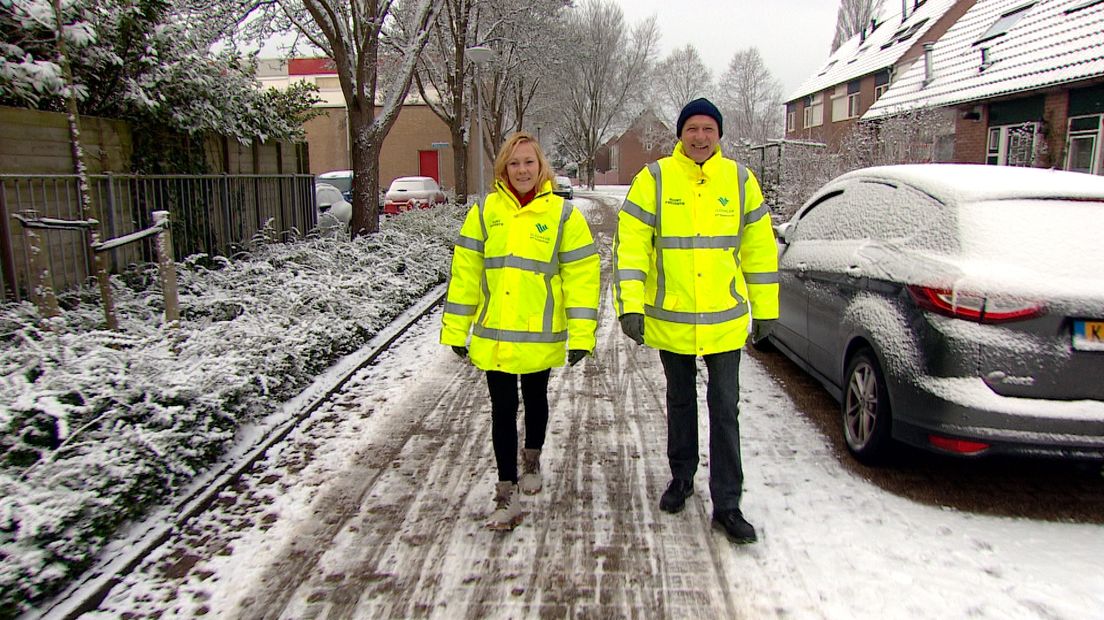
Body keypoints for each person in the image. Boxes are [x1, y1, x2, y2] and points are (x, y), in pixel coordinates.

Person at [612, 98, 779, 544]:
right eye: (693, 128)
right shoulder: (655, 179)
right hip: (673, 320)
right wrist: (630, 304)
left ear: (719, 134)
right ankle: (682, 478)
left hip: (724, 322)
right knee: (681, 403)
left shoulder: (741, 181)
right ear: (680, 134)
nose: (701, 136)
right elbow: (630, 246)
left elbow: (759, 251)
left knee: (726, 408)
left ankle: (728, 503)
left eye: (708, 128)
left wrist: (766, 310)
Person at [440, 131, 600, 531]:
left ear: (541, 165)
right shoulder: (485, 212)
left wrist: (582, 334)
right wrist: (456, 329)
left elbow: (581, 276)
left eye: (529, 162)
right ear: (503, 168)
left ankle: (532, 457)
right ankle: (505, 492)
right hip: (495, 333)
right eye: (514, 163)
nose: (522, 170)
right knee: (502, 408)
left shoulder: (563, 216)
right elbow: (466, 273)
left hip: (539, 333)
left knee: (535, 397)